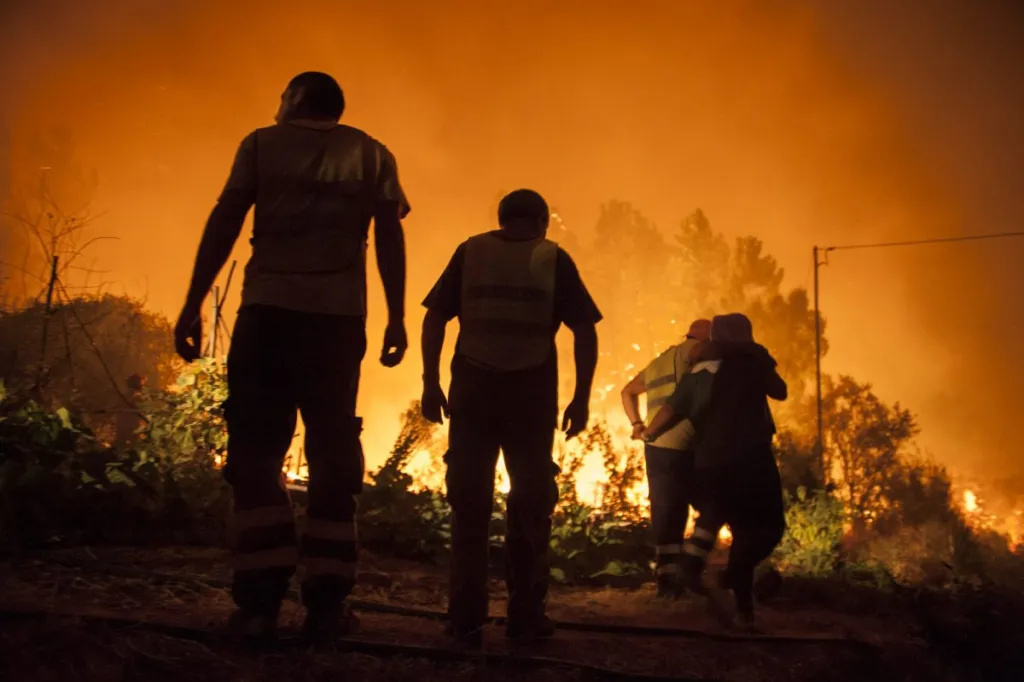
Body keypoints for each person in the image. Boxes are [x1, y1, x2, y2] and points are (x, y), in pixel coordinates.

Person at [173, 71, 410, 647]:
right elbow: (389, 236)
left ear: (297, 99)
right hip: (337, 322)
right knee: (333, 456)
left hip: (268, 316)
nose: (276, 107)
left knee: (256, 454)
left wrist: (193, 303)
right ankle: (327, 608)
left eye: (282, 97)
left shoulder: (260, 146)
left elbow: (226, 221)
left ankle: (258, 607)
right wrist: (397, 316)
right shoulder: (373, 154)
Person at [420, 189, 600, 648]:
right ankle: (525, 618)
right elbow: (584, 329)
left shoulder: (471, 252)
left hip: (472, 392)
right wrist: (581, 398)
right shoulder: (553, 258)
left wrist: (430, 382)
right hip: (530, 397)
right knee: (531, 505)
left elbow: (435, 317)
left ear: (500, 218)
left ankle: (465, 619)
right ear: (542, 220)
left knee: (469, 504)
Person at [642, 313, 787, 630]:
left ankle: (705, 576)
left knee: (717, 515)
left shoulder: (698, 371)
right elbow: (780, 391)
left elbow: (671, 407)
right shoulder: (752, 364)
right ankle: (731, 583)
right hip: (752, 459)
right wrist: (760, 357)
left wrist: (648, 432)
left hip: (709, 461)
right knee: (764, 528)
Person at [620, 319, 710, 595]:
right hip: (684, 444)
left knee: (665, 511)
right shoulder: (695, 351)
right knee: (711, 505)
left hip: (655, 446)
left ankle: (667, 580)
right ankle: (691, 568)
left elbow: (627, 391)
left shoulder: (662, 360)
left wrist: (637, 425)